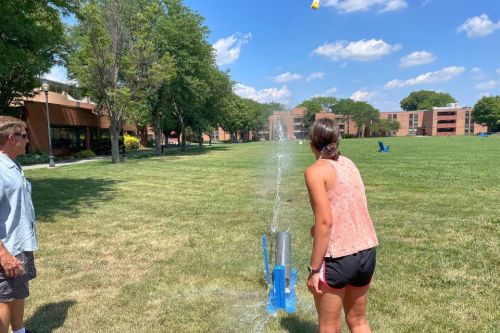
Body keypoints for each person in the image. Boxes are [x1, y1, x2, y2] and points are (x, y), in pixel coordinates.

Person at [305, 118, 378, 333]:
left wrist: (314, 270)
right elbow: (346, 205)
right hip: (366, 251)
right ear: (337, 140)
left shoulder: (315, 171)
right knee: (358, 321)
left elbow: (325, 222)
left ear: (311, 143)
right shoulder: (348, 163)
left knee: (329, 327)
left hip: (338, 257)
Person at [0, 116, 37, 333]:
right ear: (11, 138)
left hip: (19, 243)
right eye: (24, 136)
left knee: (18, 290)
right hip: (7, 248)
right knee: (3, 297)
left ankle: (20, 330)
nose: (27, 140)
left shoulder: (11, 164)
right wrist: (3, 255)